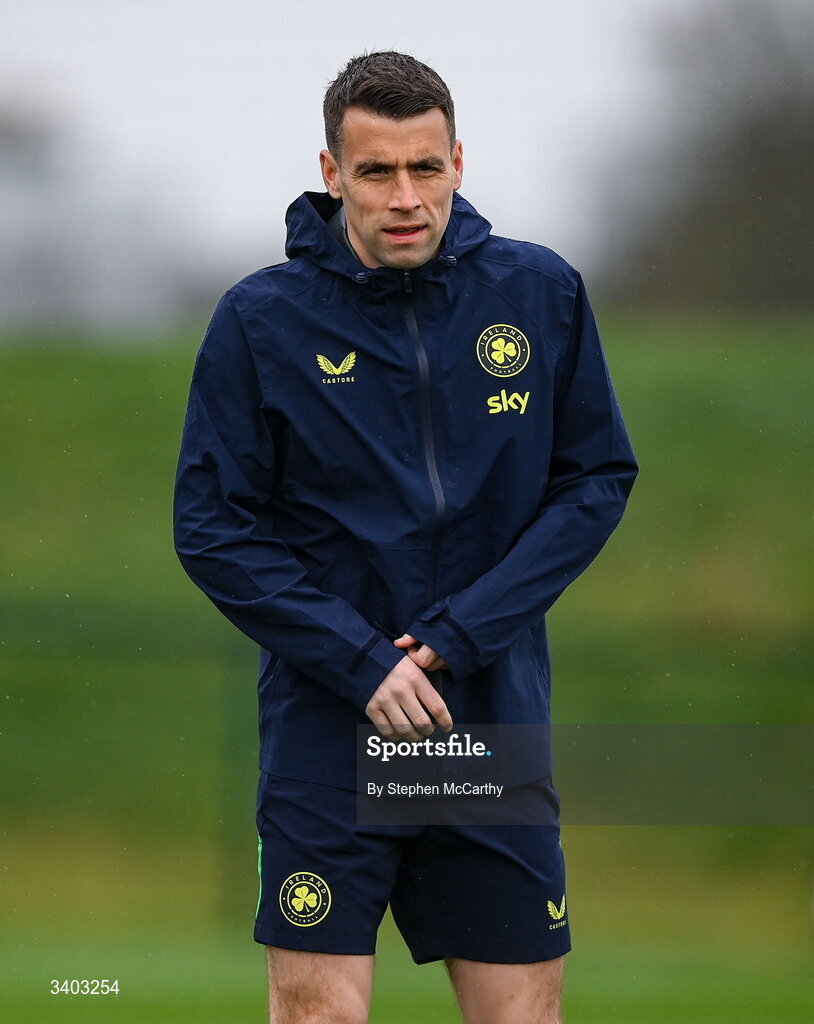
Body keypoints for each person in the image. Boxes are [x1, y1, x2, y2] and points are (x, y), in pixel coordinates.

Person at [174, 50, 637, 1024]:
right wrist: (357, 659)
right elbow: (212, 526)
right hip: (327, 728)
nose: (404, 196)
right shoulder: (260, 321)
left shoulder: (540, 294)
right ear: (331, 171)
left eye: (424, 167)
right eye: (376, 170)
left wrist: (463, 632)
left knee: (521, 1014)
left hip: (483, 719)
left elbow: (594, 480)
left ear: (459, 161)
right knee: (318, 1014)